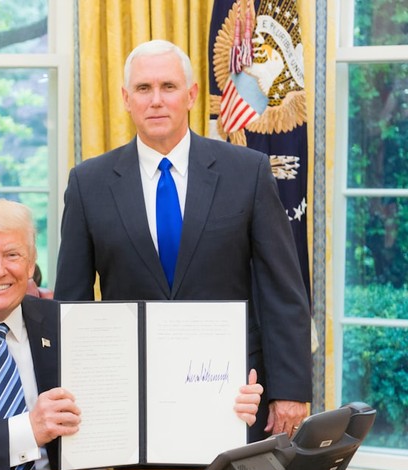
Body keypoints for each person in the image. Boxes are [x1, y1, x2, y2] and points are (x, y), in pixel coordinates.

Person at [0, 198, 264, 470]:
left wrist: (220, 406)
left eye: (13, 255)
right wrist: (27, 431)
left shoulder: (75, 325)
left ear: (31, 265)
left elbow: (145, 405)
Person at [54, 40, 311, 442]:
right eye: (143, 89)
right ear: (126, 99)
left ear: (191, 95)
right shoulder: (89, 183)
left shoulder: (247, 172)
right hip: (130, 393)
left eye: (168, 87)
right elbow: (73, 303)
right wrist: (78, 396)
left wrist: (290, 389)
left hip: (235, 393)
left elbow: (282, 288)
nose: (156, 100)